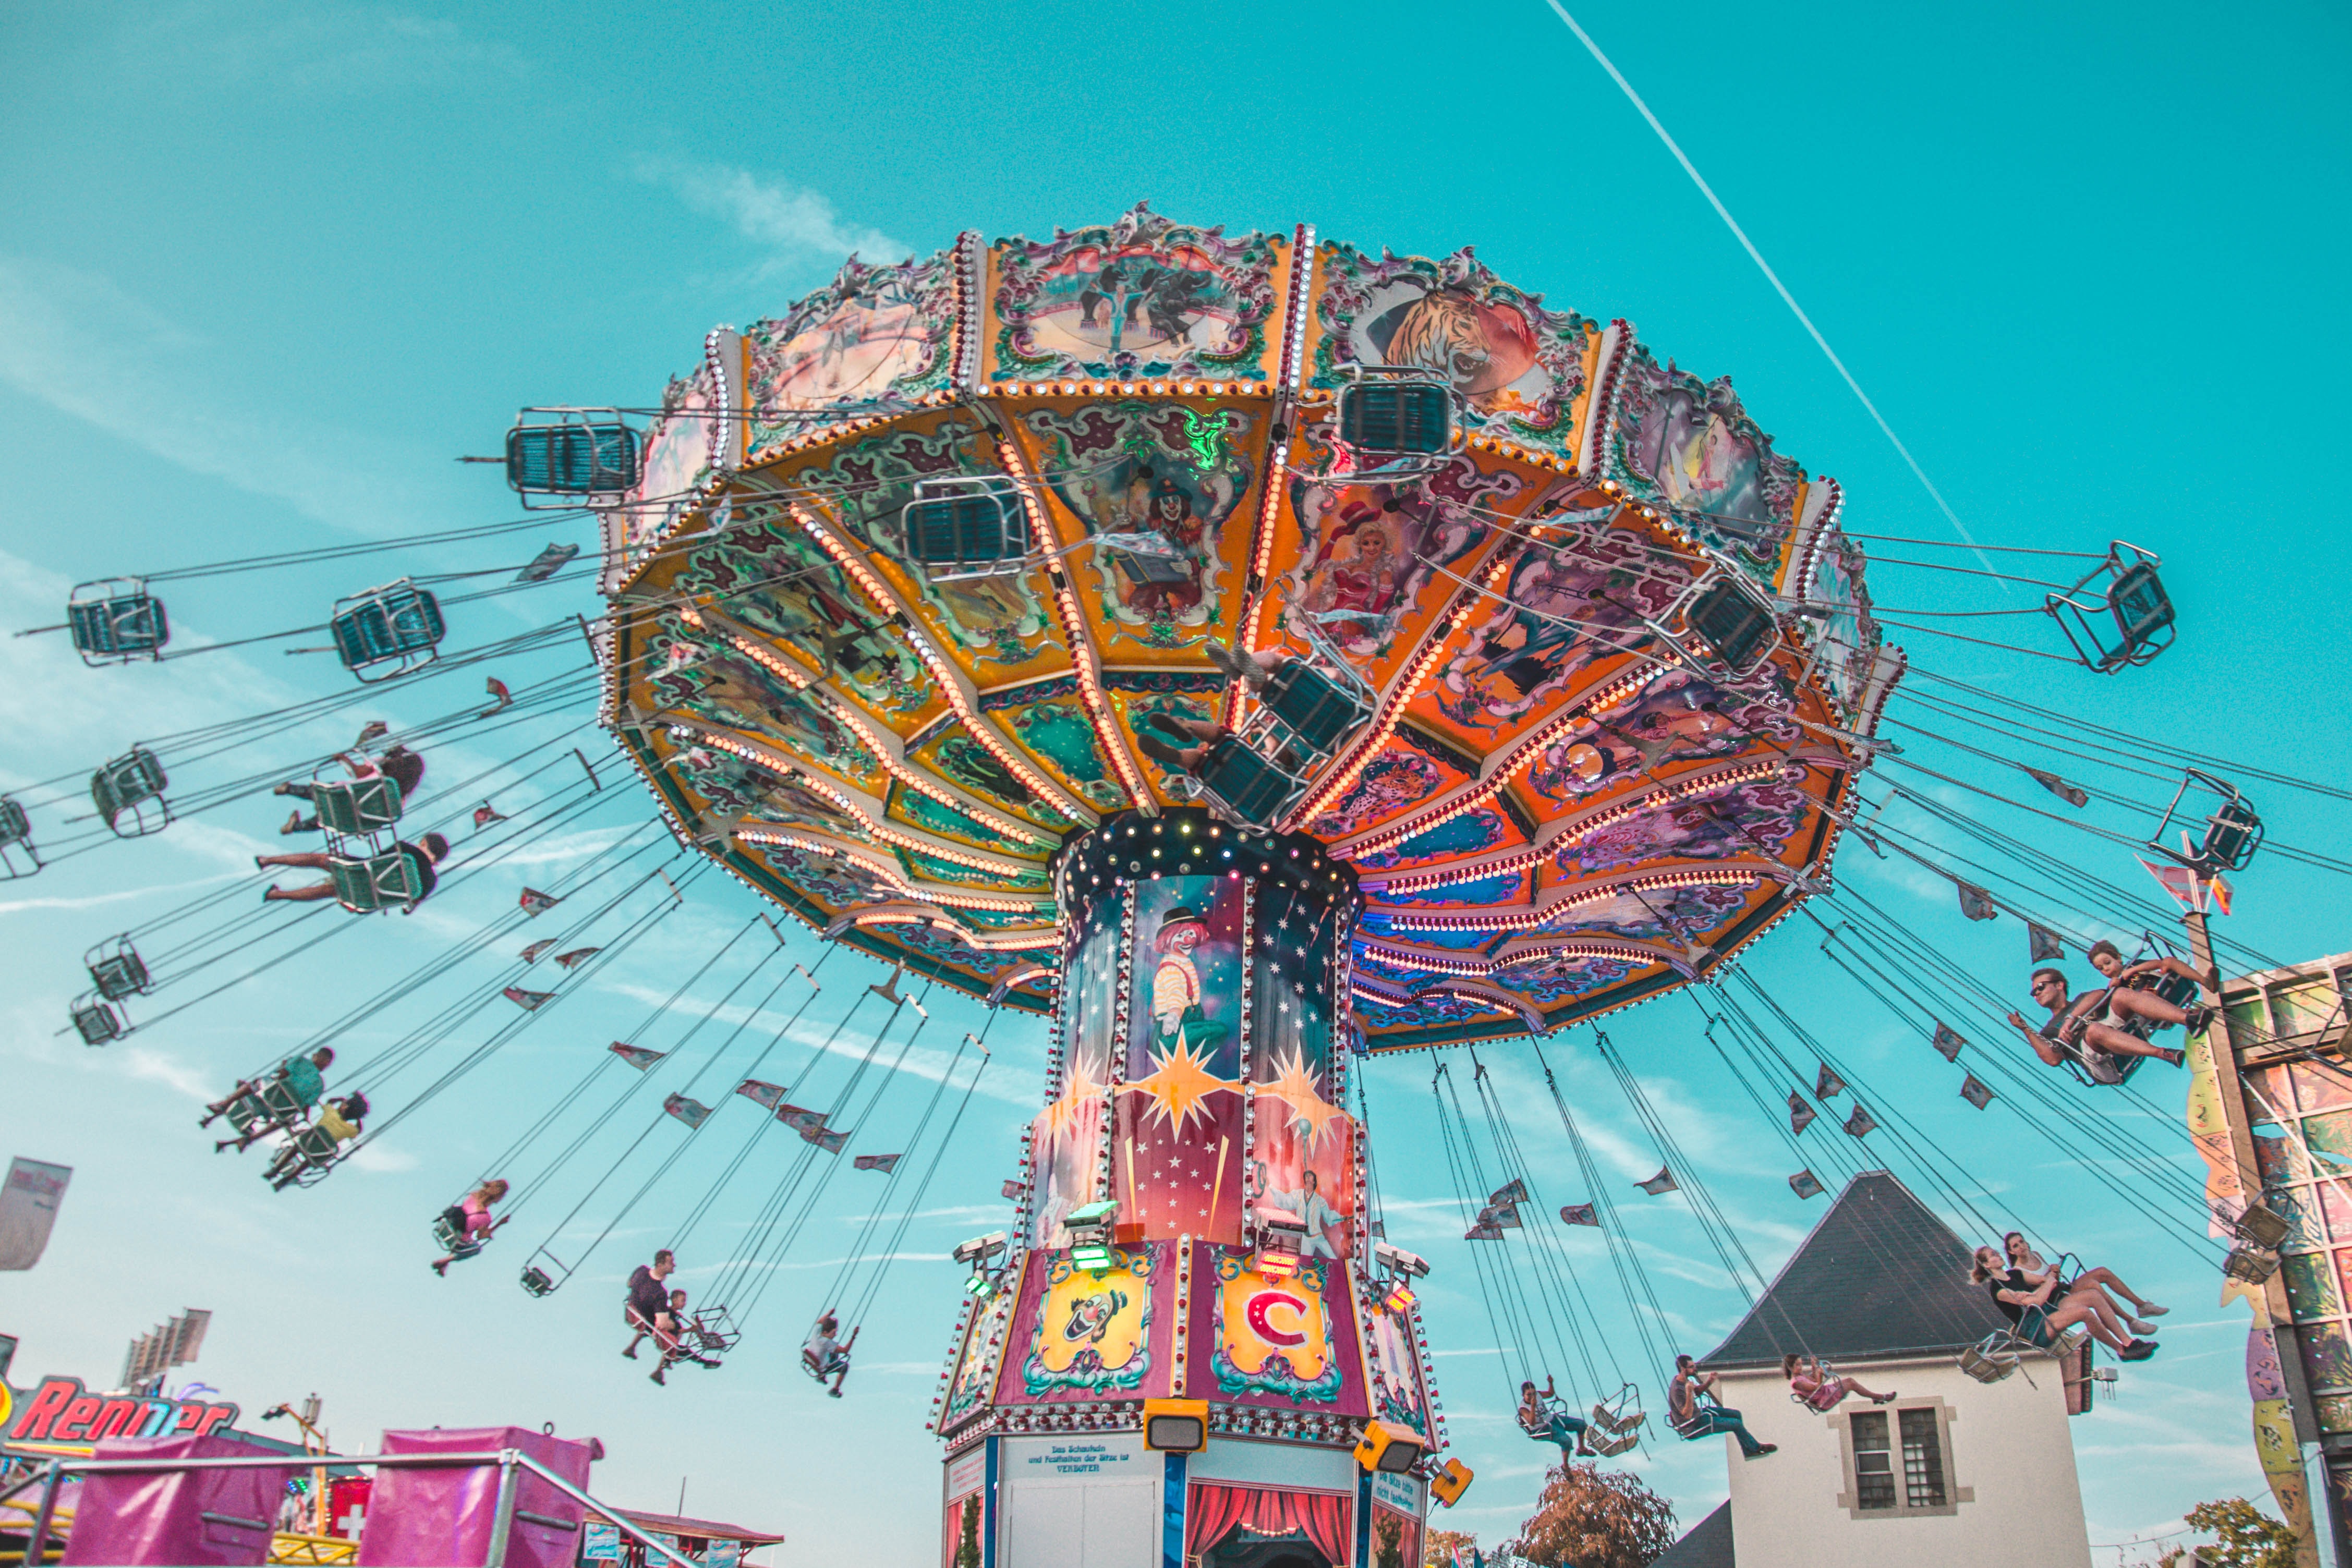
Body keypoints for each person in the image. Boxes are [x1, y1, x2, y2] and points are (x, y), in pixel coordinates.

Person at [1970, 1246, 2156, 1361]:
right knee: (2084, 1312)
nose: (1998, 1255)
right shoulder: (1999, 1290)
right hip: (2036, 1326)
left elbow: (2042, 1281)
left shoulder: (2016, 1275)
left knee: (2092, 1295)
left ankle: (2129, 1342)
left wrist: (2052, 1273)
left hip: (2048, 1311)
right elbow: (2036, 1300)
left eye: (1996, 1252)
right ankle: (2121, 1351)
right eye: (1993, 1255)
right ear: (1987, 1265)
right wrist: (2047, 1284)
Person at [2006, 967, 2186, 1077]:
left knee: (2122, 994)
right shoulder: (2049, 1031)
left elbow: (2100, 995)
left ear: (2059, 985)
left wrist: (2070, 1020)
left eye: (2040, 987)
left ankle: (2187, 1018)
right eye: (2034, 993)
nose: (2037, 994)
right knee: (2094, 1030)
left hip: (2112, 1029)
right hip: (2097, 1059)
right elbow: (2053, 1059)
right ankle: (2162, 1053)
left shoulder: (2082, 999)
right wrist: (2025, 1029)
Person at [2002, 1232, 2167, 1336]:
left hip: (2063, 1289)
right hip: (2056, 1301)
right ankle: (2130, 1321)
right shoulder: (2018, 1271)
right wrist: (2050, 1276)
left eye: (2022, 1242)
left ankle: (2142, 1306)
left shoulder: (2036, 1255)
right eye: (2016, 1246)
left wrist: (2055, 1271)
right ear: (2011, 1252)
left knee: (2102, 1272)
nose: (2021, 1247)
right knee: (2094, 1287)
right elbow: (2041, 1288)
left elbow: (2055, 1279)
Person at [258, 833, 448, 906]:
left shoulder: (406, 849)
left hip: (359, 872)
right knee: (330, 891)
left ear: (424, 842)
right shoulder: (431, 883)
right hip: (366, 898)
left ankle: (268, 860)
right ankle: (276, 895)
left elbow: (377, 861)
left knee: (320, 860)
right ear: (437, 862)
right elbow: (411, 904)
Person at [275, 744, 426, 834]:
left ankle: (289, 789)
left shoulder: (381, 769)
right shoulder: (399, 800)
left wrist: (343, 759)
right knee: (329, 819)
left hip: (343, 796)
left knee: (327, 793)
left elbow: (357, 772)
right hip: (354, 821)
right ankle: (296, 827)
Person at [207, 1048, 335, 1148]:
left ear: (317, 1056)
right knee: (285, 1121)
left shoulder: (300, 1061)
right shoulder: (320, 1084)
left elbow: (283, 1074)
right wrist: (303, 1119)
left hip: (271, 1094)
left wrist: (281, 1078)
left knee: (256, 1083)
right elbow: (306, 1107)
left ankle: (225, 1103)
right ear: (326, 1063)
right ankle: (253, 1139)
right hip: (283, 1110)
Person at [2086, 940, 2218, 1036]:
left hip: (2166, 987)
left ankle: (2206, 982)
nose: (2106, 969)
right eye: (2101, 969)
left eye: (2107, 963)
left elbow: (2157, 964)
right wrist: (2113, 989)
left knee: (2168, 961)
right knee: (2146, 996)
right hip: (2152, 1008)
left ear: (2119, 958)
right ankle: (2188, 1018)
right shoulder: (2117, 989)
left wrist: (2134, 970)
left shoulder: (2133, 966)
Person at [1667, 1353, 1775, 1460]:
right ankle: (1755, 1448)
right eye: (1691, 1367)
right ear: (1683, 1369)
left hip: (1699, 1415)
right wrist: (1689, 1392)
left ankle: (1748, 1450)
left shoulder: (1685, 1380)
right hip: (1692, 1425)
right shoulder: (1677, 1390)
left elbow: (1698, 1392)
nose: (1695, 1369)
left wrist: (1709, 1382)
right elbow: (1687, 1414)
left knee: (1736, 1414)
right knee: (1736, 1424)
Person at [264, 1091, 368, 1185]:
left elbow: (329, 1102)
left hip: (306, 1142)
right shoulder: (350, 1130)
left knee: (297, 1148)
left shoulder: (331, 1113)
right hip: (318, 1154)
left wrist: (340, 1099)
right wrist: (358, 1118)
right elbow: (359, 1130)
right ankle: (290, 1177)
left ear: (344, 1107)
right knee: (311, 1159)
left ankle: (277, 1169)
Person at [431, 1178, 511, 1275]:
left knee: (464, 1234)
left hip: (447, 1227)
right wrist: (500, 1224)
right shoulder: (485, 1217)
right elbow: (481, 1236)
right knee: (476, 1248)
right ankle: (446, 1260)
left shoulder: (473, 1196)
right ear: (499, 1196)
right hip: (458, 1239)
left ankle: (444, 1265)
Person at [1782, 1353, 1895, 1411]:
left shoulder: (1800, 1376)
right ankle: (1880, 1397)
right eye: (1798, 1365)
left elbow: (1813, 1380)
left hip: (1825, 1393)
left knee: (1850, 1381)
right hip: (1824, 1399)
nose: (1801, 1367)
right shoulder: (1796, 1383)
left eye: (1801, 1364)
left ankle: (1876, 1398)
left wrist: (1814, 1368)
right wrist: (1820, 1374)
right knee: (1851, 1383)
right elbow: (1816, 1387)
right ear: (1790, 1367)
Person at [1517, 1377, 1594, 1458]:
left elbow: (1550, 1394)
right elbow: (1532, 1423)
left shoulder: (1538, 1395)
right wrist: (1533, 1406)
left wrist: (1551, 1383)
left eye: (1534, 1393)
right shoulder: (1523, 1409)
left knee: (1581, 1424)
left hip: (1552, 1419)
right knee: (1566, 1441)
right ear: (1523, 1395)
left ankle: (1582, 1449)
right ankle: (1565, 1467)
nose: (1533, 1397)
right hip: (1541, 1428)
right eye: (1529, 1395)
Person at [621, 1249, 676, 1360]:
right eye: (670, 1263)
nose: (674, 1265)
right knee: (675, 1325)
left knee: (658, 1313)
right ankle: (663, 1365)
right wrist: (673, 1324)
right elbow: (662, 1324)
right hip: (647, 1321)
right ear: (660, 1266)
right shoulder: (660, 1293)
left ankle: (631, 1348)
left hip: (634, 1311)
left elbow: (629, 1284)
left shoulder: (642, 1270)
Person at [803, 1311, 855, 1397]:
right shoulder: (827, 1342)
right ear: (826, 1332)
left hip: (812, 1359)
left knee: (834, 1354)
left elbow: (819, 1322)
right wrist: (853, 1336)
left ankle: (821, 1377)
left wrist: (829, 1314)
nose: (835, 1334)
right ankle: (835, 1390)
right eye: (834, 1332)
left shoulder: (817, 1333)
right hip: (823, 1367)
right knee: (845, 1366)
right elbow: (845, 1350)